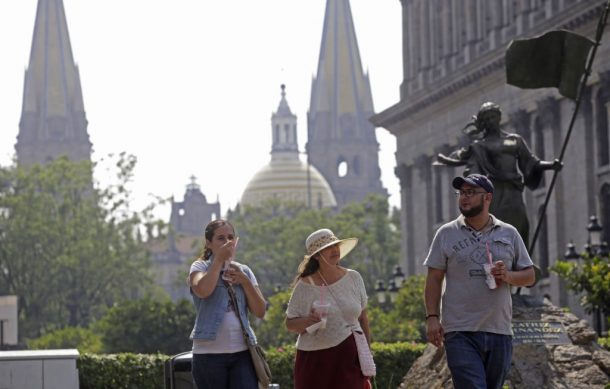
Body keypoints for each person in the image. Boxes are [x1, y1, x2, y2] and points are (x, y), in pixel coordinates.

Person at [424, 174, 536, 389]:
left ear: (488, 198)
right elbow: (434, 278)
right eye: (461, 193)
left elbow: (530, 276)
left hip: (499, 330)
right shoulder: (446, 234)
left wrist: (508, 276)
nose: (464, 198)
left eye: (471, 193)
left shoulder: (509, 233)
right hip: (460, 330)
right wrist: (432, 317)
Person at [437, 101, 562, 247]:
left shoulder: (515, 140)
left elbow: (531, 162)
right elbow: (472, 171)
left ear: (499, 117)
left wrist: (551, 165)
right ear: (483, 123)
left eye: (493, 117)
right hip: (495, 193)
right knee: (495, 229)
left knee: (520, 225)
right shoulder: (480, 146)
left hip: (513, 191)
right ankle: (497, 261)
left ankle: (521, 262)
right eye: (487, 119)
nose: (491, 121)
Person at [285, 228, 371, 389]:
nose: (334, 250)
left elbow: (363, 319)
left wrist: (367, 355)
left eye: (336, 245)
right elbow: (290, 324)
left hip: (351, 358)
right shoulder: (305, 285)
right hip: (314, 361)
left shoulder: (354, 277)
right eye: (327, 248)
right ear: (316, 255)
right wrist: (307, 320)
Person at [188, 219, 266, 389]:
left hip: (242, 353)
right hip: (208, 354)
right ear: (209, 243)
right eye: (221, 238)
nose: (227, 242)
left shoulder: (244, 271)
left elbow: (260, 311)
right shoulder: (200, 266)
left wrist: (245, 282)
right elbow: (203, 290)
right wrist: (218, 262)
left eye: (230, 237)